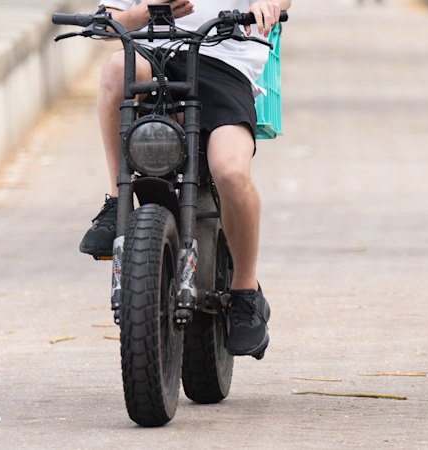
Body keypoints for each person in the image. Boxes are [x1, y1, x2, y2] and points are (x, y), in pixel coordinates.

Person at [79, 0, 292, 358]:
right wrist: (140, 15)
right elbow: (110, 18)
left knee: (230, 171)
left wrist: (268, 4)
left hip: (225, 68)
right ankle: (119, 201)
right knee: (117, 70)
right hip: (149, 57)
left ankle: (246, 291)